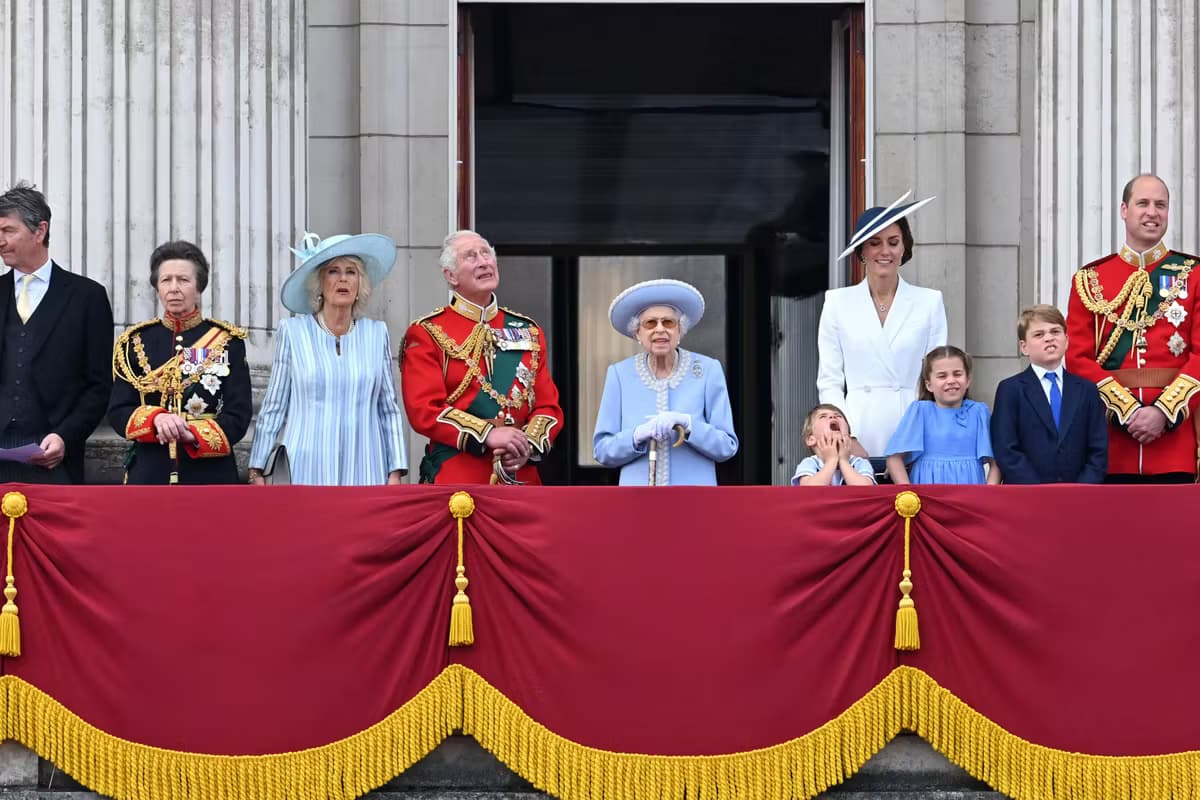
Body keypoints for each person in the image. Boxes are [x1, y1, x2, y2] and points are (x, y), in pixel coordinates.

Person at [1065, 174, 1200, 483]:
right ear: (1124, 210)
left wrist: (1163, 412)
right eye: (1143, 204)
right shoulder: (1090, 280)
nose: (1152, 212)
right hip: (1110, 444)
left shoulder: (1194, 275)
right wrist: (1128, 412)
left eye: (1161, 205)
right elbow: (1077, 359)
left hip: (1176, 444)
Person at [401, 230, 562, 484]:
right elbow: (424, 409)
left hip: (521, 476)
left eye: (486, 253)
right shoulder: (427, 332)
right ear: (451, 276)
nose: (483, 261)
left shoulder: (528, 330)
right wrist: (487, 434)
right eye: (470, 256)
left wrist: (526, 447)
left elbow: (548, 407)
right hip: (458, 477)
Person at [248, 232, 407, 486]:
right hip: (306, 467)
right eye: (333, 271)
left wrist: (395, 471)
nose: (343, 278)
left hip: (366, 467)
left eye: (351, 272)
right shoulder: (293, 332)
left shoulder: (377, 334)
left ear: (360, 286)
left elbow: (388, 409)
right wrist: (256, 469)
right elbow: (274, 405)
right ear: (319, 283)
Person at [817, 191, 947, 458]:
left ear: (904, 248)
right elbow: (829, 380)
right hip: (857, 431)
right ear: (861, 250)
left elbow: (937, 376)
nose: (884, 251)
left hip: (915, 431)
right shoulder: (837, 303)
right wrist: (844, 435)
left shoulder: (929, 302)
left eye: (893, 242)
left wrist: (924, 433)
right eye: (874, 243)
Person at [109, 241, 251, 484]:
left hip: (209, 474)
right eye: (166, 280)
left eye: (183, 280)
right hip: (150, 471)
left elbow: (239, 414)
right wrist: (156, 419)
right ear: (157, 288)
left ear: (199, 287)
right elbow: (119, 411)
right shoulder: (133, 342)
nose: (174, 288)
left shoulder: (228, 342)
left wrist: (192, 433)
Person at [0, 182, 113, 484]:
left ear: (39, 231)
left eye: (8, 231)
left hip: (54, 462)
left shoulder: (87, 297)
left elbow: (99, 385)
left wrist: (66, 436)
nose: (0, 240)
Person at [592, 279, 738, 485]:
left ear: (680, 332)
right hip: (637, 501)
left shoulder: (707, 370)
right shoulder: (619, 375)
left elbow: (727, 447)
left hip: (694, 499)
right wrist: (636, 436)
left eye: (668, 322)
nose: (660, 329)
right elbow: (602, 450)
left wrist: (688, 425)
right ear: (638, 334)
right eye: (650, 323)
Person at [990, 305, 1108, 484]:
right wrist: (1038, 490)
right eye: (1039, 334)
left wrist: (1084, 487)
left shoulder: (1087, 390)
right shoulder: (1011, 389)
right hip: (1028, 496)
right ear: (1024, 347)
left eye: (1055, 331)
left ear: (1067, 340)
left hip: (1079, 495)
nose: (1049, 338)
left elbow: (1098, 448)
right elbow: (1006, 448)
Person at [885, 346, 1000, 485]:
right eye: (942, 376)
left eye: (957, 374)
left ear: (968, 380)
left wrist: (988, 494)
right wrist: (909, 493)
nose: (951, 380)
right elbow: (894, 459)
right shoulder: (920, 412)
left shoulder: (979, 413)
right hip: (927, 494)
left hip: (971, 494)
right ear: (929, 385)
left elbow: (996, 462)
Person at [790, 404, 875, 486]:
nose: (832, 417)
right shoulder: (809, 463)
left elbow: (866, 489)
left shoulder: (859, 463)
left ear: (849, 436)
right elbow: (808, 490)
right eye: (823, 416)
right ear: (811, 440)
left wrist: (844, 461)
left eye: (838, 416)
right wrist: (831, 460)